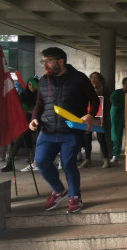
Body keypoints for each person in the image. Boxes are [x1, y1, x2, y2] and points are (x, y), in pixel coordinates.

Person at [29, 47, 99, 213]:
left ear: (61, 61)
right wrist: (33, 118)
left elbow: (94, 100)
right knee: (41, 161)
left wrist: (90, 115)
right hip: (47, 130)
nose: (45, 64)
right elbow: (39, 103)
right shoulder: (44, 80)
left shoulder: (79, 78)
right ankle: (59, 190)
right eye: (43, 61)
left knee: (68, 164)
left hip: (71, 130)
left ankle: (75, 198)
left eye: (48, 61)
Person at [79, 72, 111, 169]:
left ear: (100, 79)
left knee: (101, 138)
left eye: (96, 77)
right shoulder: (86, 90)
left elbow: (106, 105)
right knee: (87, 138)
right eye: (92, 77)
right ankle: (87, 160)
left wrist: (104, 116)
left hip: (99, 117)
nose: (93, 79)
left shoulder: (103, 90)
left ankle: (106, 160)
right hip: (89, 116)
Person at [110, 77, 127, 164]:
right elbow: (114, 103)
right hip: (117, 115)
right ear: (123, 84)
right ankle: (115, 154)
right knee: (117, 135)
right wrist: (125, 106)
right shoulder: (117, 93)